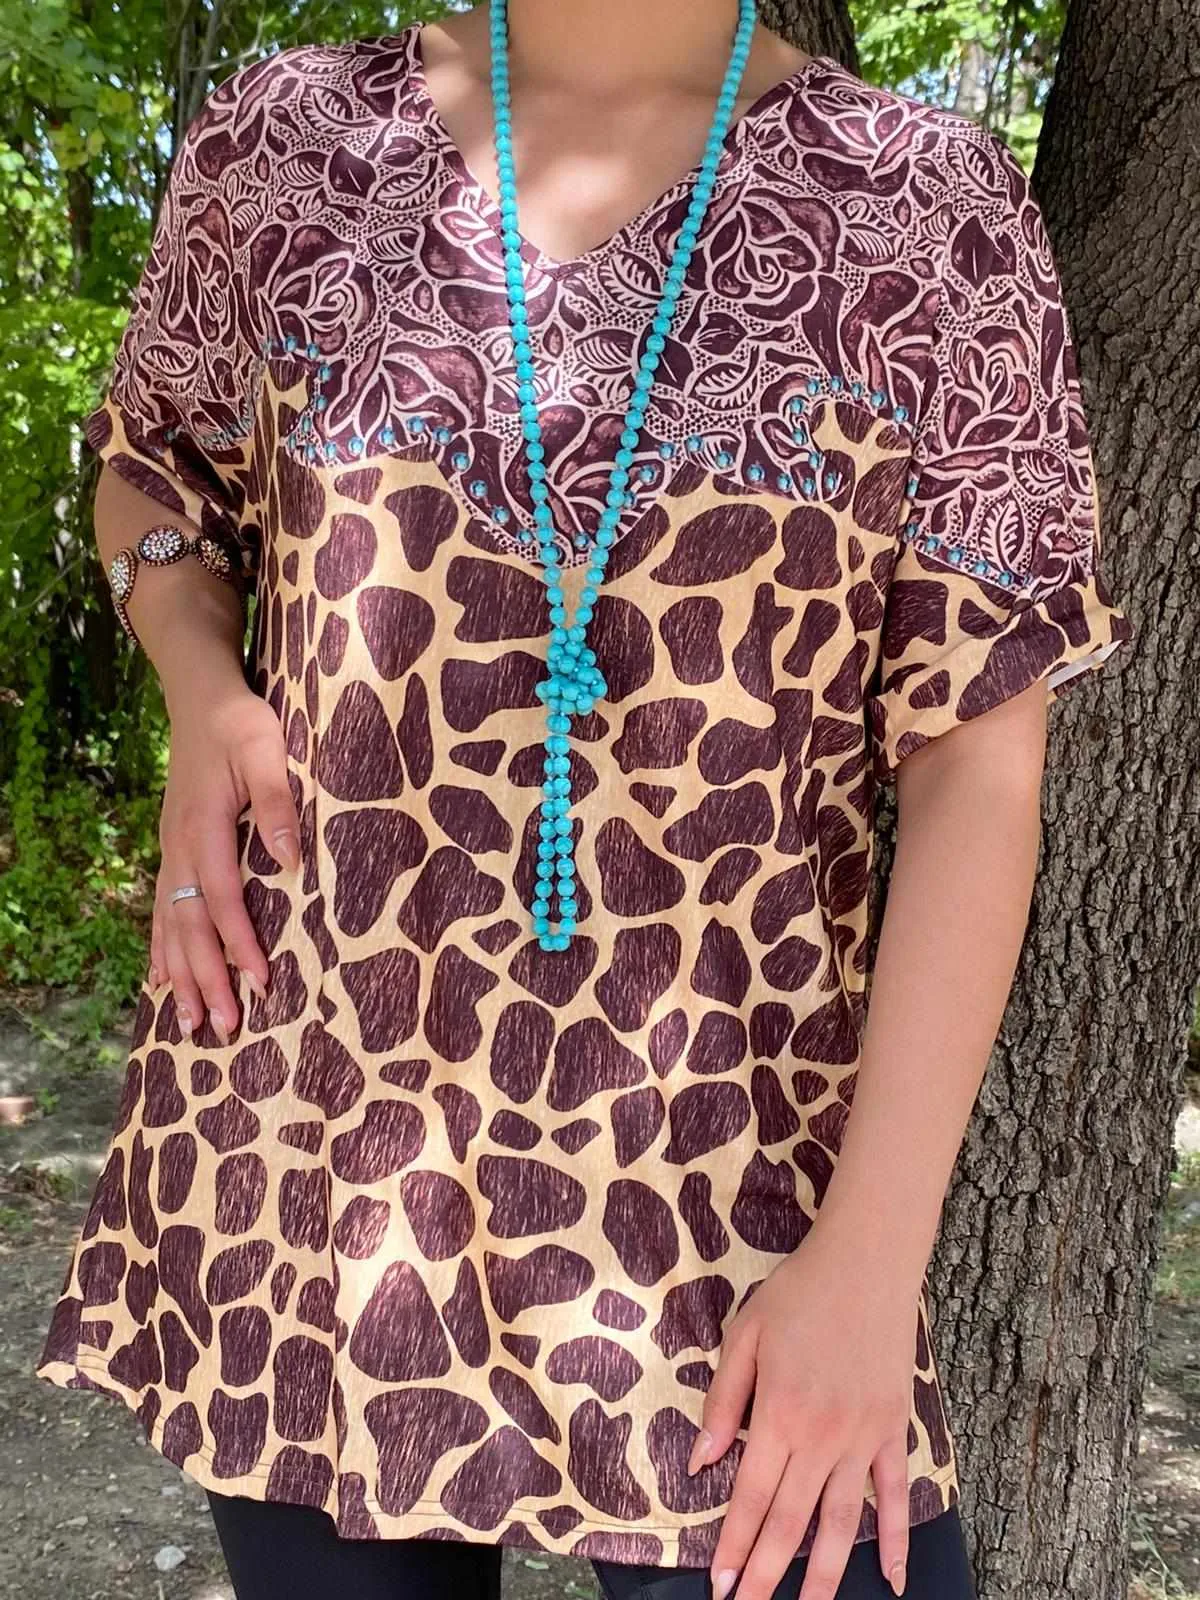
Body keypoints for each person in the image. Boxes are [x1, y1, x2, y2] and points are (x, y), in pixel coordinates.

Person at [35, 0, 1134, 1596]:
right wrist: (203, 690)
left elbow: (979, 753)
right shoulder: (287, 147)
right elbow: (153, 470)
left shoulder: (923, 207)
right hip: (318, 1150)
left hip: (722, 1192)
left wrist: (872, 1265)